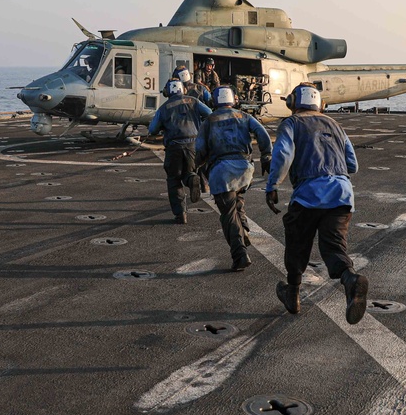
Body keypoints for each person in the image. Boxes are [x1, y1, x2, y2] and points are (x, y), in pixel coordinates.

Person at [265, 82, 369, 325]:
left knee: (297, 244)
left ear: (293, 103)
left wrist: (272, 186)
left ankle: (293, 295)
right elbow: (352, 165)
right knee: (333, 247)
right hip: (342, 195)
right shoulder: (336, 125)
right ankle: (350, 279)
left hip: (309, 195)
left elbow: (282, 155)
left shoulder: (291, 124)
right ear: (320, 104)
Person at [195, 85, 272, 271]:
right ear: (233, 99)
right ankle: (244, 228)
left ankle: (240, 254)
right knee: (237, 200)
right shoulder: (244, 116)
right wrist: (266, 156)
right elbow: (263, 134)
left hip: (222, 172)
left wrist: (195, 169)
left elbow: (199, 150)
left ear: (215, 101)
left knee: (228, 214)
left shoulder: (209, 120)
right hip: (245, 170)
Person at [148, 79, 212, 223]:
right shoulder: (193, 101)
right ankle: (191, 179)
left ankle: (180, 214)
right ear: (183, 89)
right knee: (189, 172)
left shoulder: (164, 107)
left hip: (174, 147)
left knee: (174, 179)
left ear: (167, 92)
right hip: (193, 145)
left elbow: (152, 130)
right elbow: (209, 113)